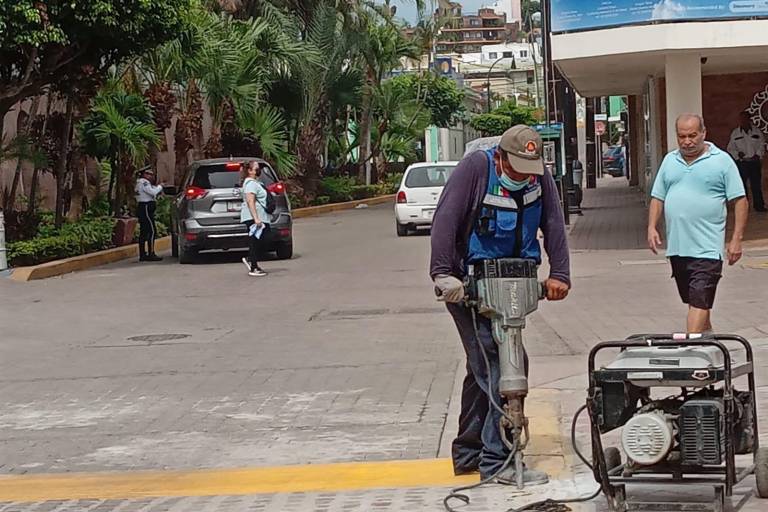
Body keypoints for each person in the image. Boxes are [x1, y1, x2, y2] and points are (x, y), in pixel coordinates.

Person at [430, 125, 571, 485]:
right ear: (500, 157)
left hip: (516, 280)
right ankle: (498, 462)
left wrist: (561, 274)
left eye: (530, 167)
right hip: (470, 285)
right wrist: (444, 274)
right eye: (517, 167)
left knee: (484, 369)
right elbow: (445, 218)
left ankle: (469, 454)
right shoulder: (477, 169)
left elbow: (553, 222)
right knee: (500, 363)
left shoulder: (541, 178)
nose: (524, 174)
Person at [648, 114, 748, 334]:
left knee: (700, 299)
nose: (687, 141)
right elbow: (658, 196)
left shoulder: (721, 161)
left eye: (692, 135)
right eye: (682, 136)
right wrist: (652, 227)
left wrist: (736, 239)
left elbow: (740, 200)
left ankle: (691, 348)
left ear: (704, 133)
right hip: (678, 248)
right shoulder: (669, 161)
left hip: (708, 249)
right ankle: (709, 342)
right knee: (696, 300)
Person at [727, 111, 766, 212]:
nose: (743, 121)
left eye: (745, 119)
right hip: (742, 163)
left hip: (754, 163)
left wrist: (758, 154)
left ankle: (759, 206)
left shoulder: (757, 132)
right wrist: (737, 155)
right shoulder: (735, 133)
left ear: (749, 120)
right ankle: (744, 207)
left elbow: (762, 145)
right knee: (742, 186)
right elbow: (730, 148)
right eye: (741, 119)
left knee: (756, 185)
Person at [240, 161, 270, 277]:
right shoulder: (250, 184)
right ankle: (253, 266)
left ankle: (251, 259)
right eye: (256, 168)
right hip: (254, 217)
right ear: (250, 171)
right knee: (255, 240)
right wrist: (256, 218)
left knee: (263, 238)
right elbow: (250, 201)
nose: (258, 170)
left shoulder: (256, 183)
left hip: (261, 216)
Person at [135, 166, 164, 262]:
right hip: (146, 207)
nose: (150, 176)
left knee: (144, 231)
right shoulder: (144, 182)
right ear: (144, 174)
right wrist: (160, 187)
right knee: (151, 231)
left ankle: (143, 254)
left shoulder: (140, 182)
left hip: (143, 207)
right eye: (148, 174)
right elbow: (152, 192)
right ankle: (151, 253)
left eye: (151, 174)